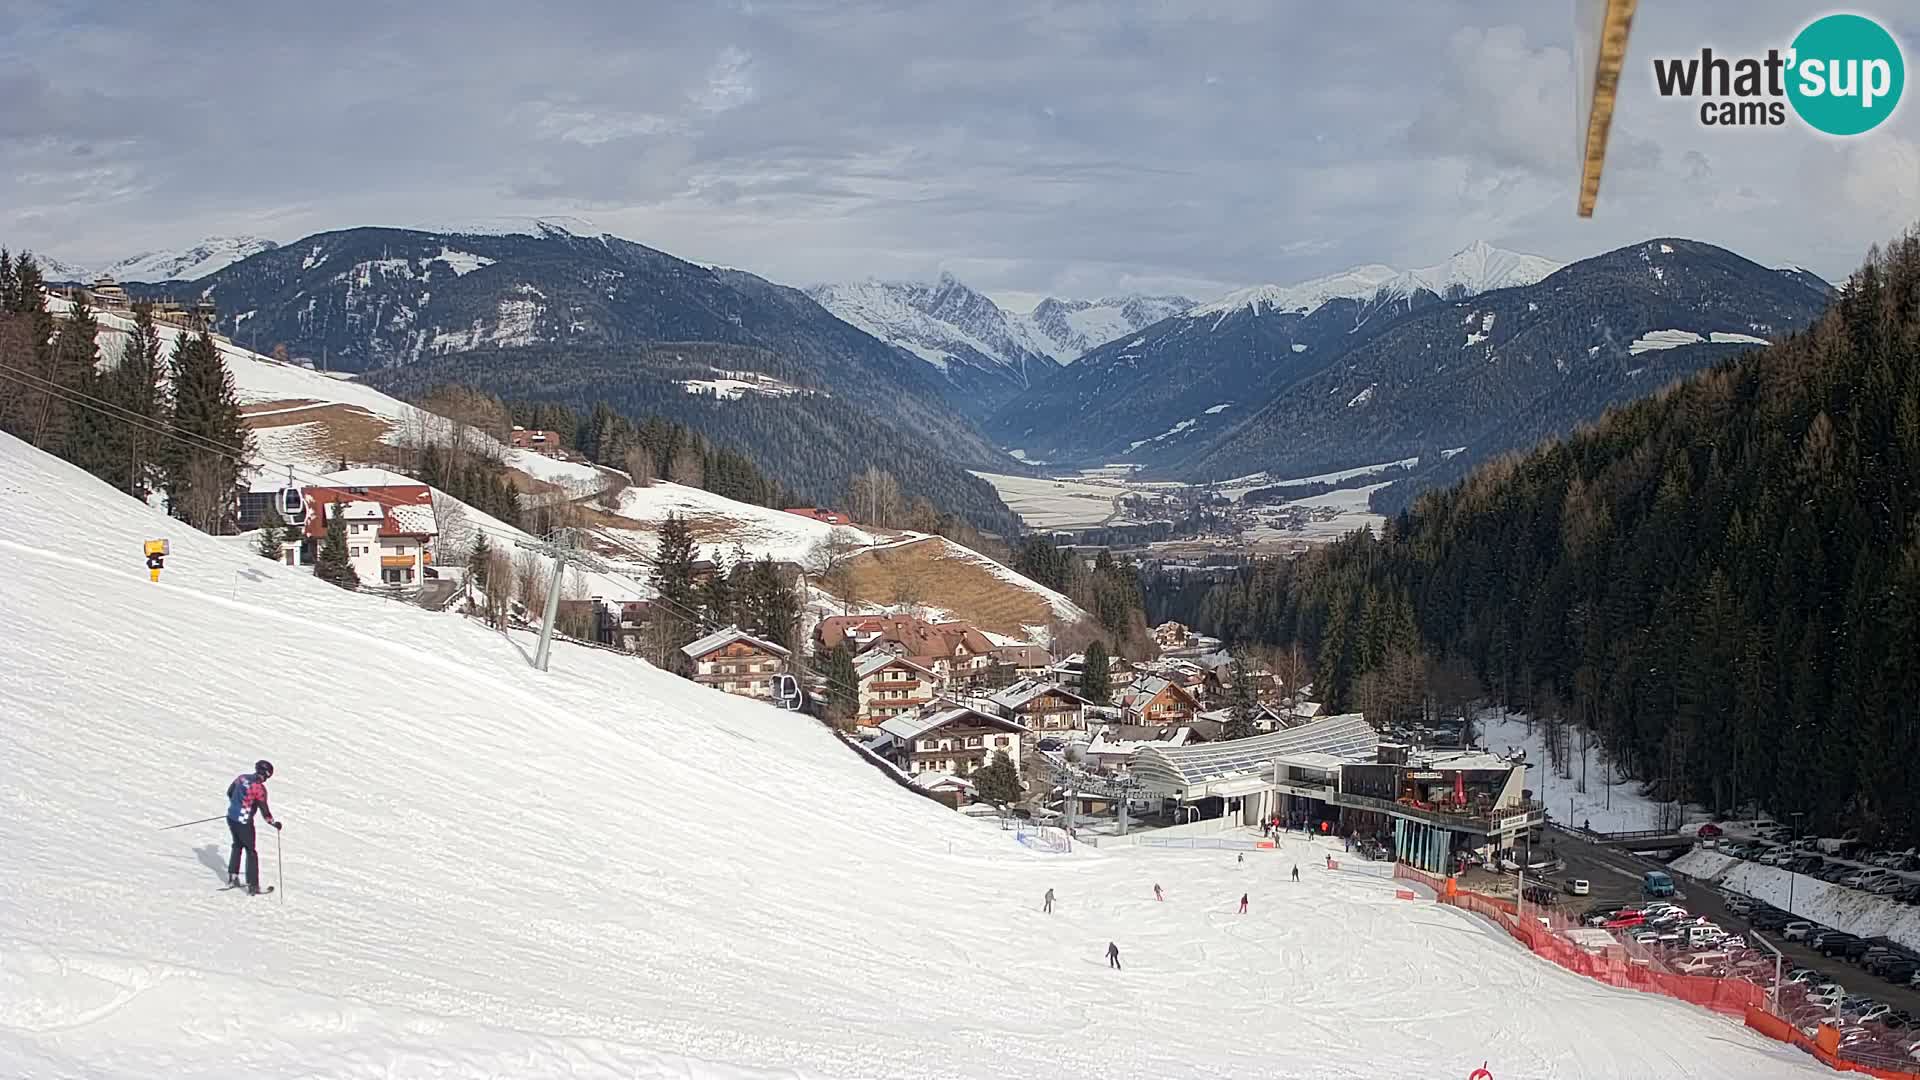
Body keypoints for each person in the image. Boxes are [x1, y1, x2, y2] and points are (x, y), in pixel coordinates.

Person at [225, 759, 281, 895]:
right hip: (244, 822)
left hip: (231, 817)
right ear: (266, 774)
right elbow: (264, 810)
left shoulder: (242, 778)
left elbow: (230, 792)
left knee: (237, 845)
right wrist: (273, 823)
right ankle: (253, 885)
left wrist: (237, 806)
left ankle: (233, 877)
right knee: (251, 851)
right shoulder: (259, 788)